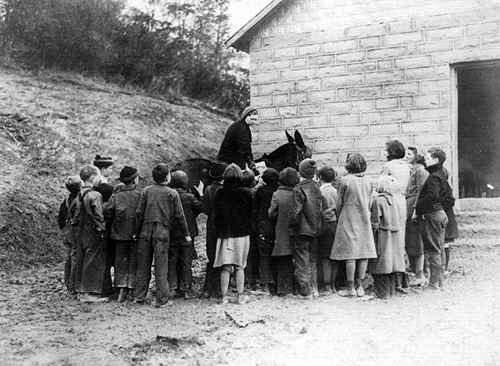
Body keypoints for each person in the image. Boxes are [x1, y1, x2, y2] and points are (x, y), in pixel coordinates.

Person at [134, 164, 189, 307]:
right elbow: (179, 216)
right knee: (161, 266)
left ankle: (139, 296)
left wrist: (136, 231)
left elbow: (139, 213)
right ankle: (162, 299)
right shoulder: (172, 193)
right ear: (167, 177)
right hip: (162, 231)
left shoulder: (146, 191)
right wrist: (186, 234)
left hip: (145, 230)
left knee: (143, 265)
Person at [330, 153, 376, 298]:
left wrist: (339, 215)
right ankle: (360, 286)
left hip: (348, 217)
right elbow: (370, 200)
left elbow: (339, 203)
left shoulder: (345, 180)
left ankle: (350, 288)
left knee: (350, 253)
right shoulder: (369, 181)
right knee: (363, 253)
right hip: (364, 217)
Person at [213, 164, 253, 305]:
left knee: (225, 267)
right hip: (241, 234)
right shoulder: (247, 193)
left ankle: (224, 296)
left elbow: (216, 215)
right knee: (240, 266)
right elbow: (250, 214)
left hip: (225, 234)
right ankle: (240, 295)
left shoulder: (219, 193)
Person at [289, 158, 326, 300]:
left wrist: (292, 226)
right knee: (313, 262)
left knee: (301, 261)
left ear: (300, 171)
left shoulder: (298, 189)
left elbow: (294, 213)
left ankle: (306, 291)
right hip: (315, 230)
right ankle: (315, 289)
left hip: (301, 231)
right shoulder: (317, 188)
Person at [415, 148, 451, 290]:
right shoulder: (441, 174)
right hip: (440, 214)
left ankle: (433, 284)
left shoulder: (433, 176)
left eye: (428, 158)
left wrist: (420, 207)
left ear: (435, 160)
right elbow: (450, 199)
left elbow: (433, 196)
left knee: (432, 250)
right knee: (439, 248)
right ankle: (439, 283)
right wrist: (441, 208)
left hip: (432, 215)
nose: (425, 160)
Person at [104, 166, 141, 302]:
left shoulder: (116, 197)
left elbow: (108, 212)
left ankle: (121, 290)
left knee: (120, 262)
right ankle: (132, 289)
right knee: (134, 262)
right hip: (135, 236)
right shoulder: (140, 196)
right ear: (134, 180)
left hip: (119, 236)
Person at [74, 165, 108, 303]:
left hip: (80, 231)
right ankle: (89, 293)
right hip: (93, 231)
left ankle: (80, 290)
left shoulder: (79, 194)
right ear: (93, 178)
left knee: (82, 259)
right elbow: (99, 215)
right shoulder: (95, 195)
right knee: (93, 260)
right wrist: (103, 228)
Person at [168, 170, 203, 300]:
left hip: (172, 233)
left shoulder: (169, 195)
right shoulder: (189, 197)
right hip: (188, 234)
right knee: (186, 261)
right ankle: (187, 289)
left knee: (172, 261)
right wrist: (201, 194)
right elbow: (202, 208)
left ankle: (172, 288)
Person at [369, 175, 406, 299]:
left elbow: (375, 221)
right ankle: (391, 291)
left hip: (383, 234)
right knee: (393, 264)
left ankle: (382, 293)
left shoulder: (377, 201)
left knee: (381, 263)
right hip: (396, 234)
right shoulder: (397, 200)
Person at [381, 140, 410, 293]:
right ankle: (402, 278)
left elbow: (382, 184)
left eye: (386, 150)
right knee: (401, 238)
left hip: (391, 201)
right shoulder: (406, 166)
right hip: (402, 201)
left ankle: (392, 278)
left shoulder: (388, 166)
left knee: (390, 238)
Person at [268, 167, 300, 297]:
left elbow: (272, 213)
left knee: (283, 258)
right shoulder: (297, 193)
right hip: (296, 230)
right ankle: (297, 288)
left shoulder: (277, 194)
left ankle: (283, 288)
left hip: (281, 229)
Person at [201, 162, 227, 298]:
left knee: (211, 255)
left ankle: (207, 288)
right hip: (223, 225)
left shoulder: (208, 189)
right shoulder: (226, 190)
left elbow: (204, 209)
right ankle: (217, 289)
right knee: (222, 255)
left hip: (211, 223)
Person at [405, 146, 429, 287]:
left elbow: (421, 192)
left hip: (414, 207)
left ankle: (420, 274)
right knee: (411, 241)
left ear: (417, 155)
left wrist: (416, 211)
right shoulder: (413, 169)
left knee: (417, 242)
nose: (406, 156)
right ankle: (418, 273)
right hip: (409, 206)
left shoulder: (420, 171)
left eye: (409, 154)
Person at [252, 168, 280, 296]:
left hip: (263, 224)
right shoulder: (278, 191)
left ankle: (264, 284)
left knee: (263, 255)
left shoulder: (261, 192)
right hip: (276, 225)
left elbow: (255, 209)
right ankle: (276, 282)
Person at [58, 176, 83, 298]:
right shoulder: (79, 200)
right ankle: (73, 287)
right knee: (75, 259)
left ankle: (67, 283)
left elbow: (60, 218)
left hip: (65, 232)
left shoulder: (65, 200)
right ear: (80, 187)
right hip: (74, 232)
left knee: (67, 259)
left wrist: (63, 228)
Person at [317, 166, 338, 295]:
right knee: (334, 255)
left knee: (324, 256)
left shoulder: (319, 191)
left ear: (320, 178)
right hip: (335, 223)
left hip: (323, 224)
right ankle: (333, 284)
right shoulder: (336, 192)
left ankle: (326, 285)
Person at [443, 167, 459, 276]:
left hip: (446, 217)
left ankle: (444, 268)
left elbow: (450, 201)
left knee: (445, 243)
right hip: (444, 216)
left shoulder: (444, 186)